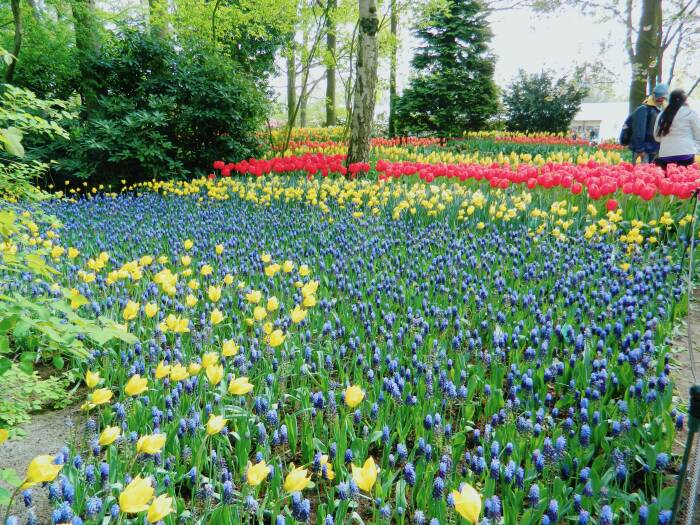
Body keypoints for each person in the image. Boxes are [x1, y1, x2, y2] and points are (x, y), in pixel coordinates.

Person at [619, 83, 669, 163]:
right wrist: (639, 149)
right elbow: (639, 131)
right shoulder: (643, 109)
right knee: (642, 173)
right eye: (660, 98)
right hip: (643, 150)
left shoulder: (659, 111)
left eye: (663, 99)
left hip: (654, 149)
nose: (661, 101)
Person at [653, 89, 700, 170]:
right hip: (686, 153)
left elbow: (656, 137)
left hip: (665, 154)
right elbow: (698, 134)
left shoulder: (662, 114)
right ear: (685, 100)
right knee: (685, 180)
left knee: (668, 181)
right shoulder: (690, 113)